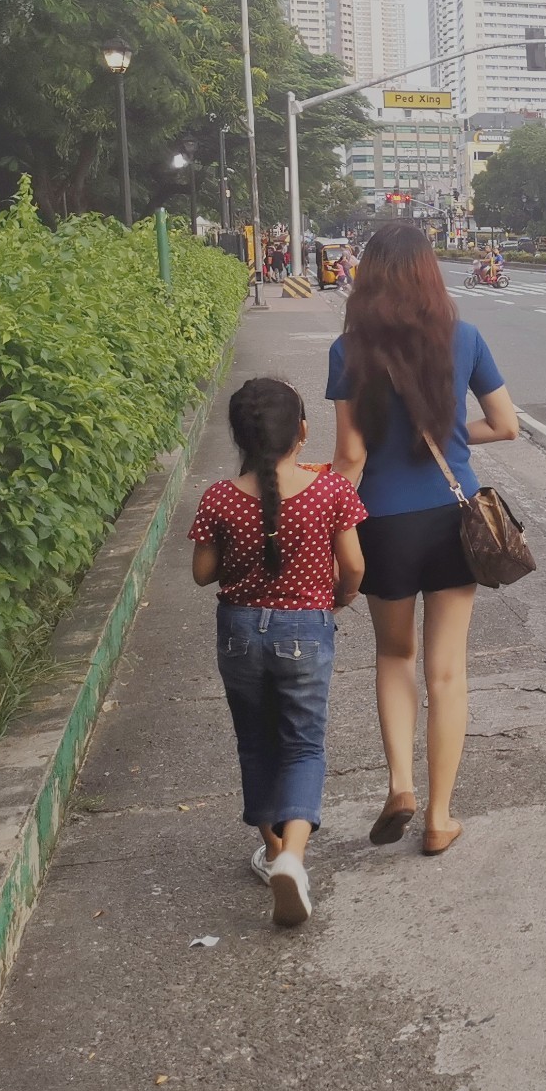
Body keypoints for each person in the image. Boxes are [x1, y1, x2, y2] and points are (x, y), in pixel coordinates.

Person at [328, 221, 520, 856]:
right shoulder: (463, 338)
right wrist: (450, 437)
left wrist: (326, 519)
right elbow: (506, 425)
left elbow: (351, 456)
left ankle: (400, 785)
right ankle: (440, 817)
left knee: (393, 657)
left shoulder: (347, 351)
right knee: (447, 672)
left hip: (380, 523)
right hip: (450, 519)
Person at [190, 377, 366, 928]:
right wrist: (334, 602)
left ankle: (271, 852)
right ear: (303, 433)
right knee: (303, 746)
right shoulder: (330, 490)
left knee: (256, 743)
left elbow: (202, 574)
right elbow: (355, 567)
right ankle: (294, 853)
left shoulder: (219, 497)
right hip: (305, 630)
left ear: (240, 437)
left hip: (239, 631)